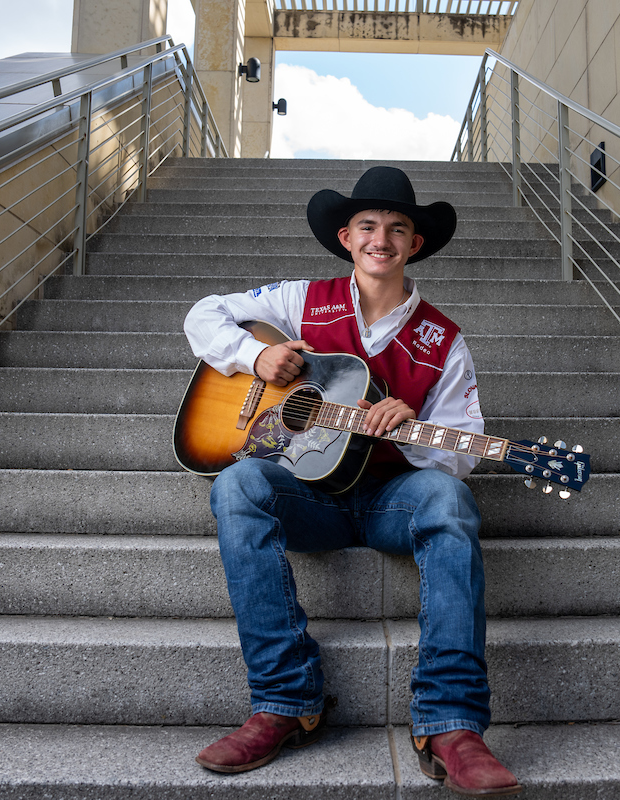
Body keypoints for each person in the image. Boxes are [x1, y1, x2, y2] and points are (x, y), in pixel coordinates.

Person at [183, 166, 522, 797]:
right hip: (307, 494)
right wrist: (255, 357)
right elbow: (204, 314)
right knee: (236, 487)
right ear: (346, 236)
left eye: (398, 229)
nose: (381, 240)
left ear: (415, 244)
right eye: (368, 226)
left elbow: (461, 451)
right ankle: (284, 701)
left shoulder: (443, 340)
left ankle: (452, 724)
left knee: (448, 497)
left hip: (392, 501)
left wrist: (412, 428)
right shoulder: (297, 301)